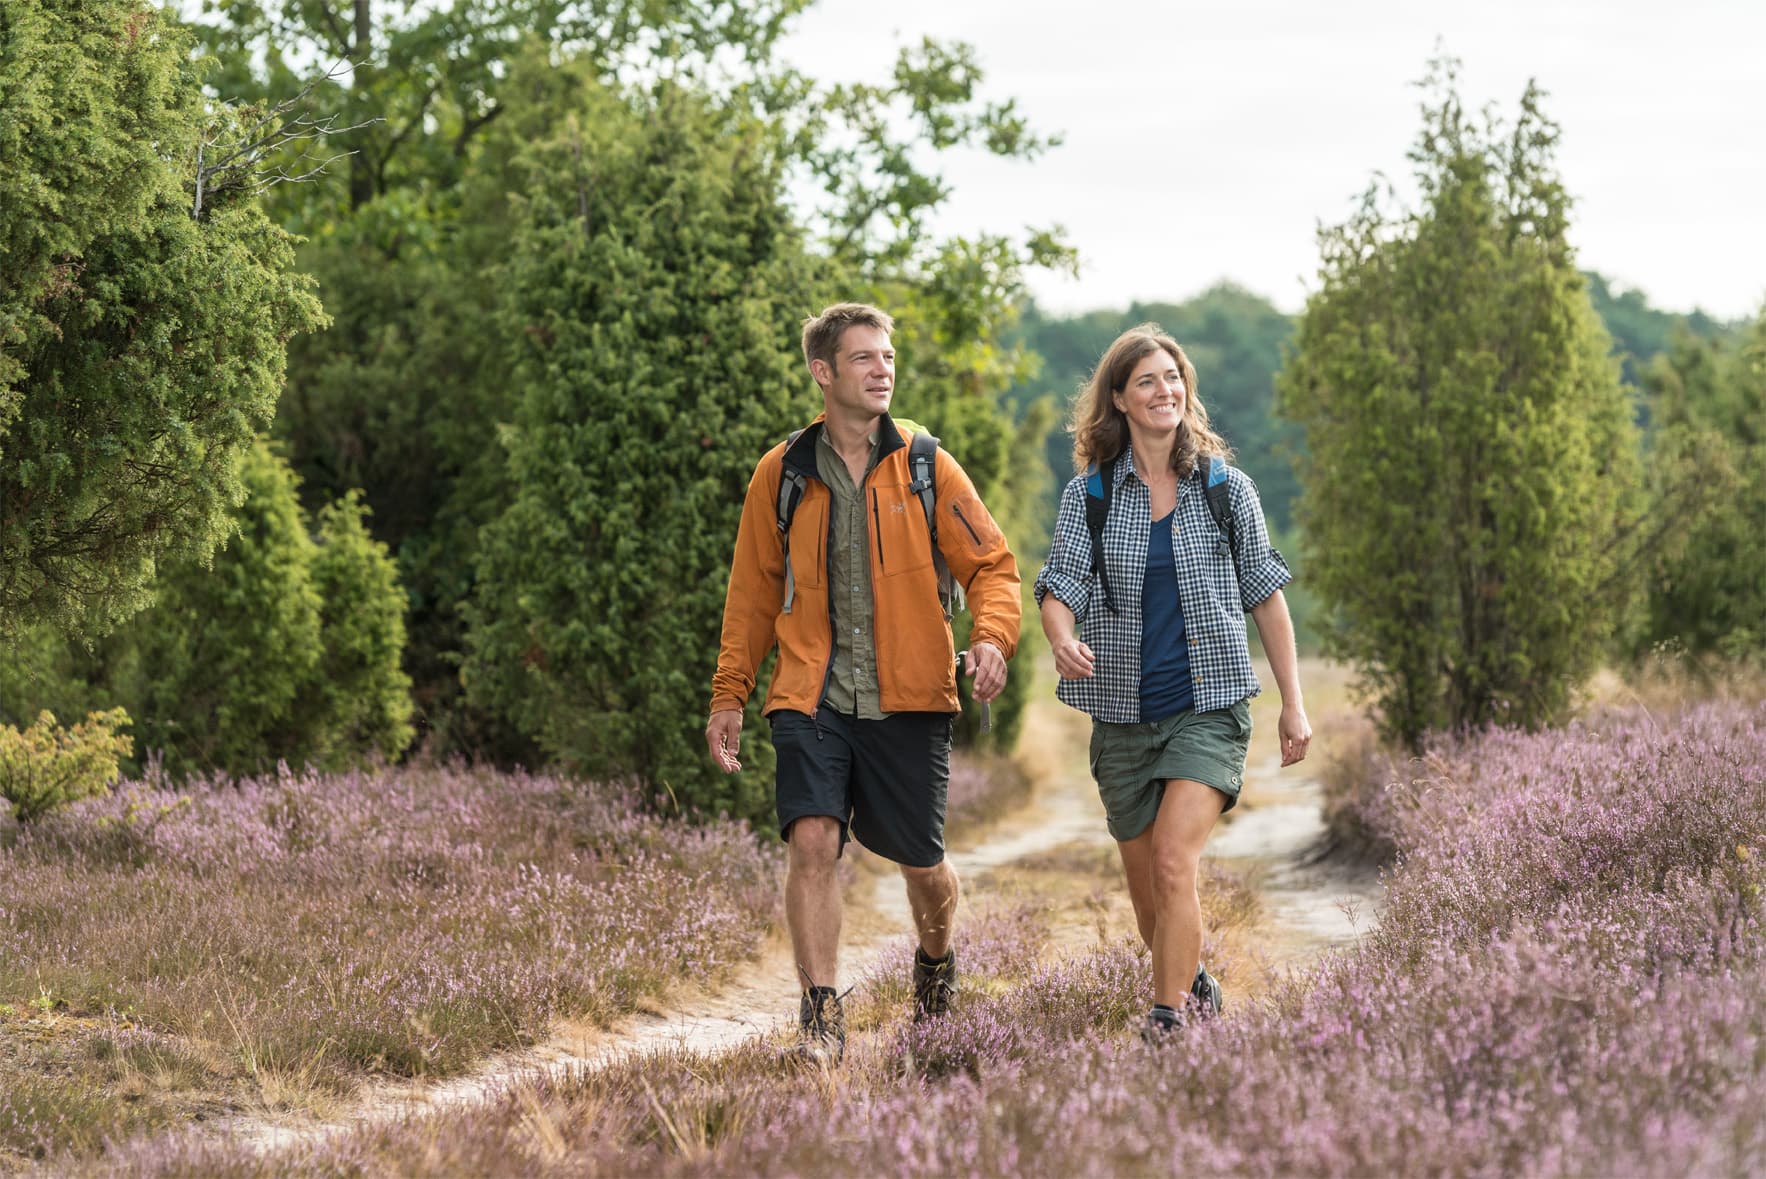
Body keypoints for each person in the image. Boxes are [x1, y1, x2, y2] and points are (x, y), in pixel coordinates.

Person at [707, 303, 1021, 1065]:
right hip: (811, 696)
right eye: (863, 358)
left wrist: (991, 638)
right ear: (823, 372)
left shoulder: (925, 464)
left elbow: (991, 566)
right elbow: (751, 594)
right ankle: (820, 1014)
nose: (882, 370)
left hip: (910, 697)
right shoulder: (782, 473)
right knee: (812, 840)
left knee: (924, 867)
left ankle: (936, 967)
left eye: (887, 357)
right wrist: (730, 692)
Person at [1033, 323, 1311, 1042]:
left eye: (1173, 377)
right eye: (1147, 381)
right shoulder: (1090, 496)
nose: (1165, 390)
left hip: (1208, 708)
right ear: (1119, 399)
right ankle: (1195, 983)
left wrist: (1293, 704)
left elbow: (1266, 595)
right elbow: (1060, 584)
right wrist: (1061, 636)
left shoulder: (1225, 488)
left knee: (1171, 860)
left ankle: (1168, 1022)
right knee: (1149, 897)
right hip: (1122, 717)